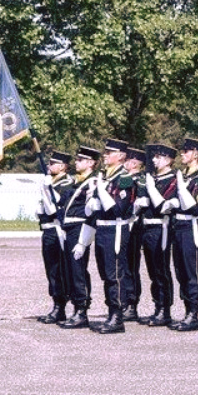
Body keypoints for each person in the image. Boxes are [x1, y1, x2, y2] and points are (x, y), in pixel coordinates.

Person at [75, 138, 136, 334]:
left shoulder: (124, 178)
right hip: (102, 229)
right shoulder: (106, 177)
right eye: (106, 152)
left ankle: (117, 316)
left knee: (114, 275)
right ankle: (111, 312)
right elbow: (92, 212)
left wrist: (100, 192)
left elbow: (118, 209)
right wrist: (83, 242)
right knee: (105, 274)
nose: (105, 155)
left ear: (120, 156)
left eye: (110, 152)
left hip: (115, 229)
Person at [167, 138, 198, 331]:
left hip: (191, 225)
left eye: (186, 152)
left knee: (190, 269)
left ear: (195, 154)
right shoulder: (184, 176)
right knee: (179, 269)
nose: (182, 155)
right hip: (177, 225)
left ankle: (193, 313)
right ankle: (187, 308)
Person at [57, 145, 102, 329]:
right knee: (70, 269)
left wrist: (84, 241)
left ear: (91, 163)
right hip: (69, 228)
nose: (76, 162)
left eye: (81, 160)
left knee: (78, 269)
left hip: (80, 228)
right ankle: (75, 307)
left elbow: (91, 213)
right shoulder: (75, 181)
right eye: (77, 159)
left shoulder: (92, 182)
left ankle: (82, 310)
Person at [137, 144, 178, 327]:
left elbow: (162, 204)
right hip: (147, 227)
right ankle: (157, 306)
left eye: (158, 157)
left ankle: (165, 309)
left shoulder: (173, 179)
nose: (154, 160)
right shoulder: (151, 178)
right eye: (153, 157)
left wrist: (151, 189)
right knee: (153, 271)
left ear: (168, 160)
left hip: (161, 227)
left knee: (161, 270)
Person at [35, 150, 73, 324]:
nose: (49, 166)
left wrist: (47, 189)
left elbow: (55, 208)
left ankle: (62, 306)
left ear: (63, 166)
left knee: (60, 269)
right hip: (48, 230)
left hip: (59, 231)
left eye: (53, 163)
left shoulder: (67, 183)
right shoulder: (51, 182)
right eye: (49, 163)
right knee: (51, 269)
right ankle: (56, 304)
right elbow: (42, 210)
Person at [122, 147, 147, 322]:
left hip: (134, 226)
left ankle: (131, 304)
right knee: (122, 267)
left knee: (130, 266)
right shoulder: (124, 179)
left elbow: (141, 202)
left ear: (133, 163)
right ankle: (124, 301)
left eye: (127, 160)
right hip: (122, 225)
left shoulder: (140, 180)